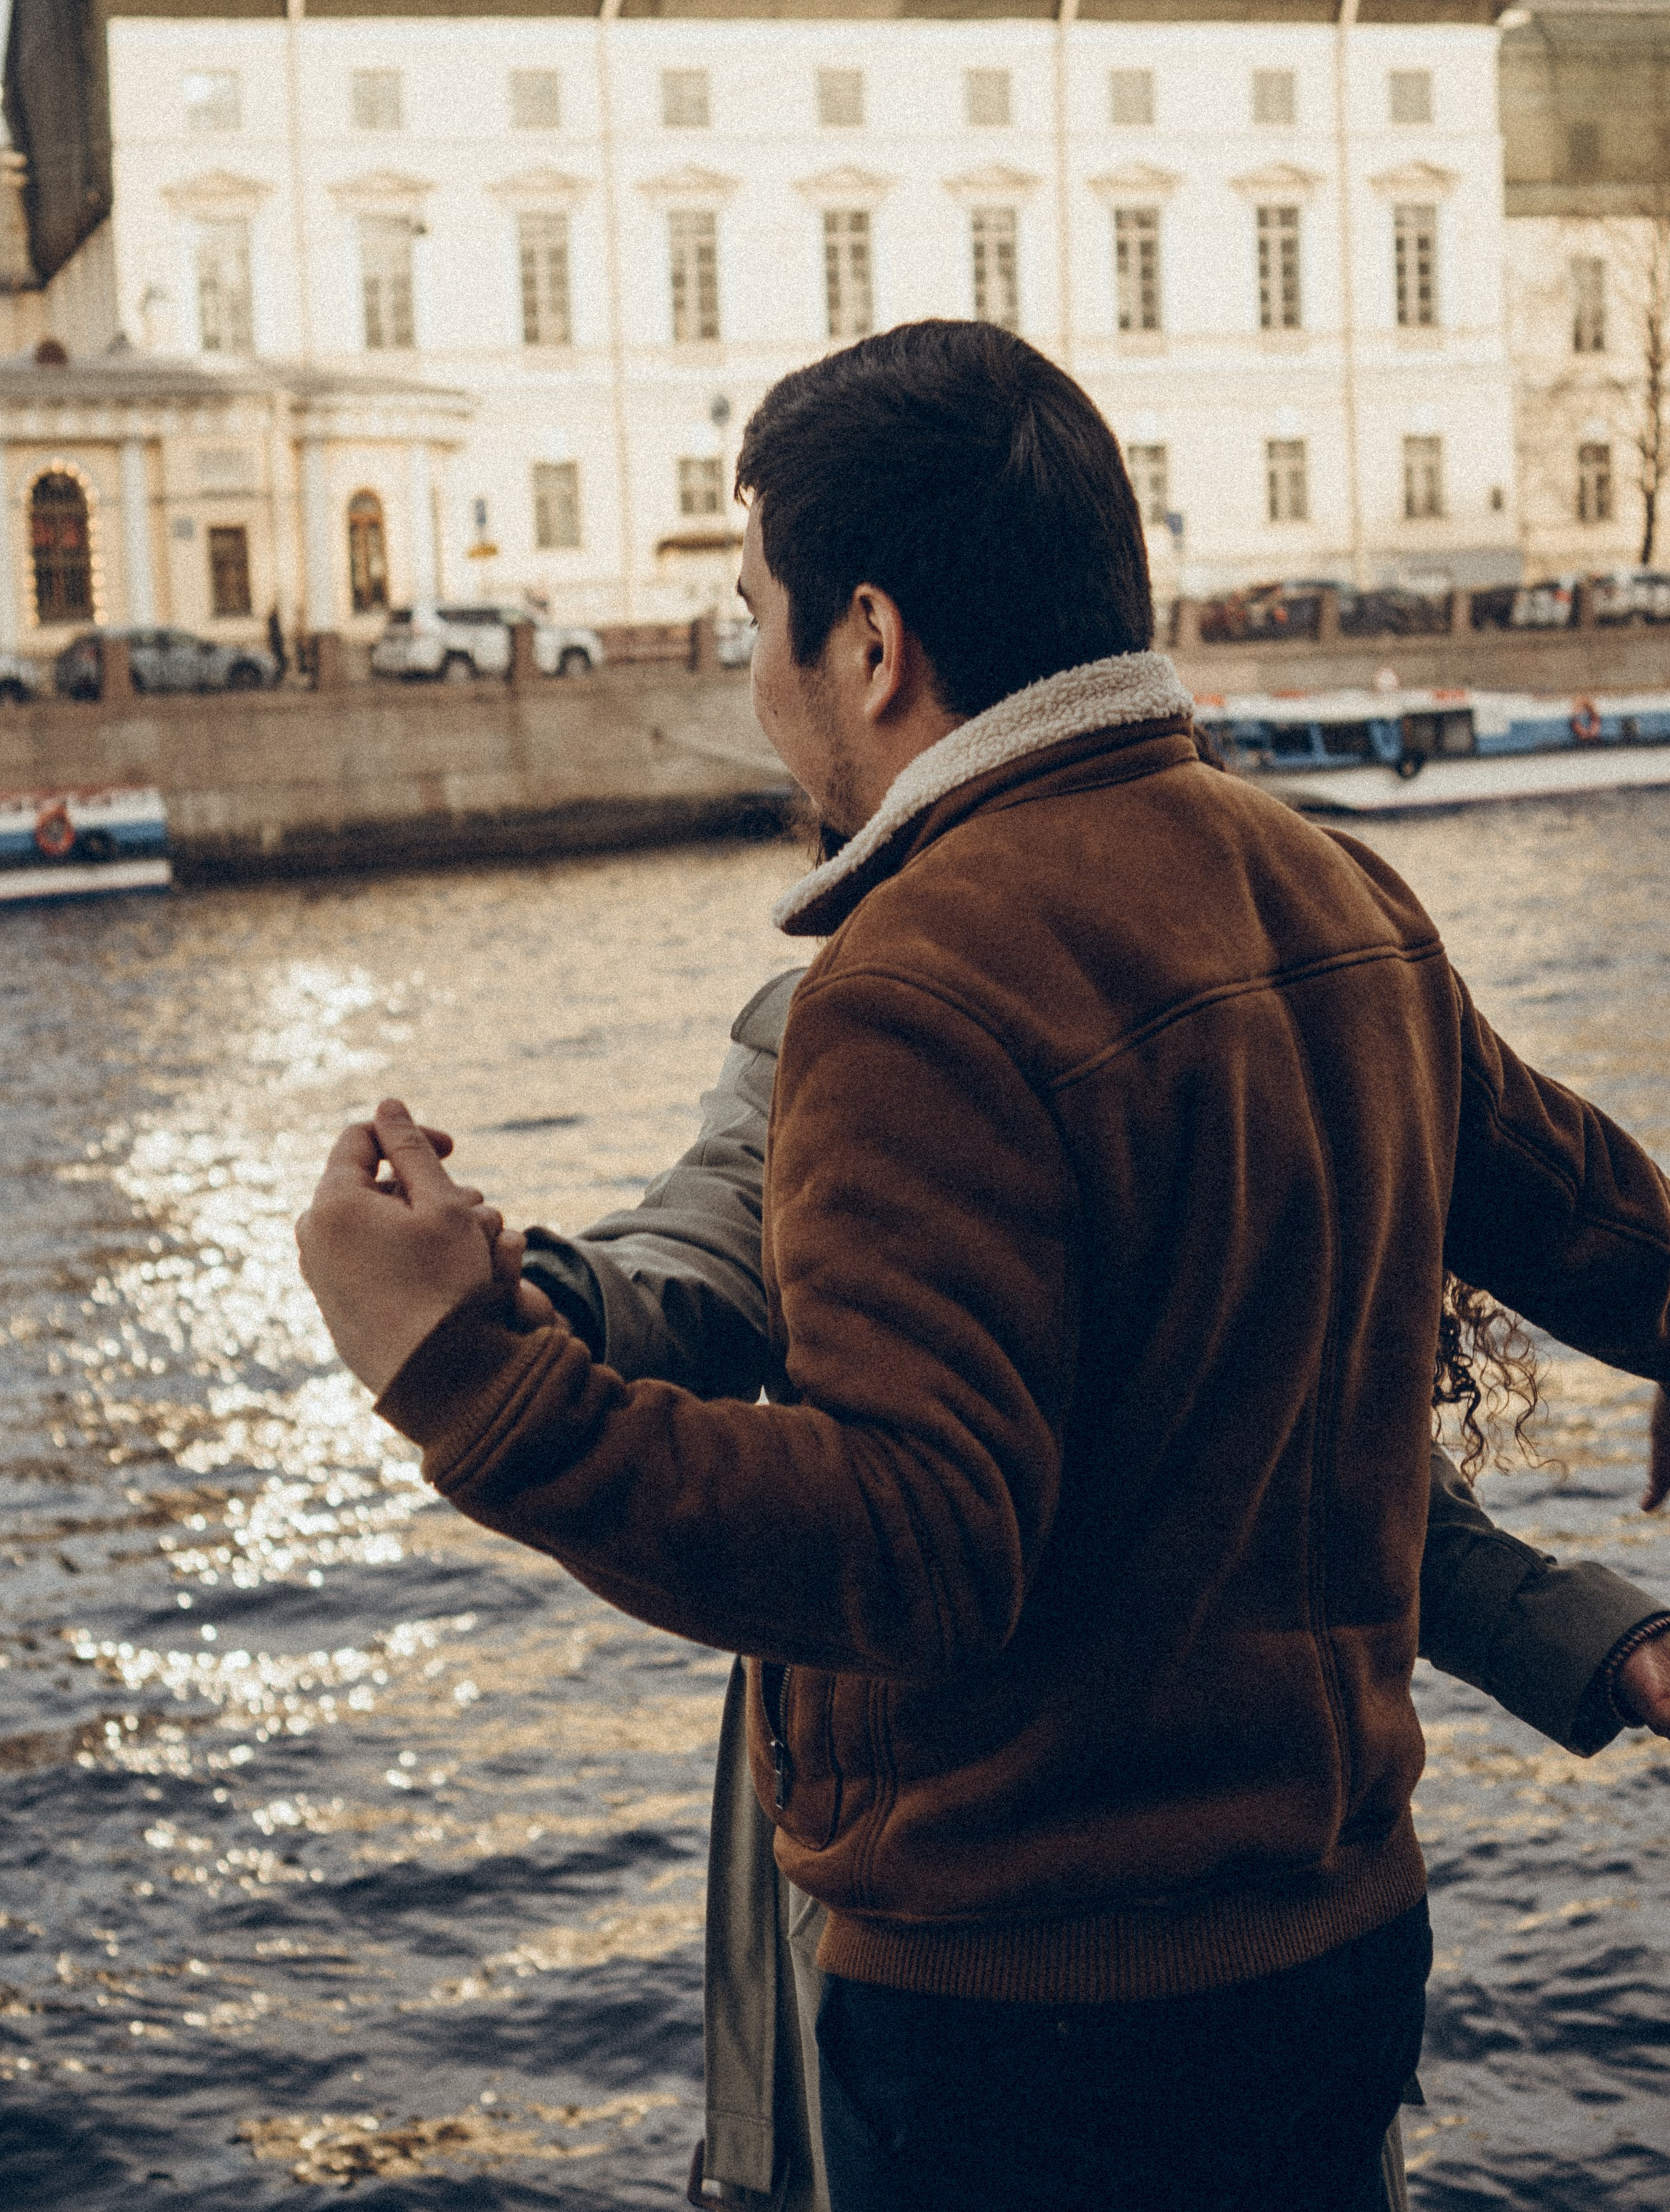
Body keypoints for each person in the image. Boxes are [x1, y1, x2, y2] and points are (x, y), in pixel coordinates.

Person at [297, 321, 1670, 2212]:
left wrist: (460, 1375)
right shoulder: (1334, 891)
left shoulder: (919, 981)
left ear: (869, 640)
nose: (749, 675)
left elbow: (921, 1548)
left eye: (751, 614)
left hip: (1036, 2027)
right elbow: (1619, 1241)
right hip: (1343, 1941)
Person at [506, 965, 1670, 2212]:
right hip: (948, 1922)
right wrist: (540, 1300)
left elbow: (1344, 1470)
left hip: (1234, 1921)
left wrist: (1614, 1641)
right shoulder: (855, 1008)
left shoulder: (1271, 977)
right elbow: (707, 1248)